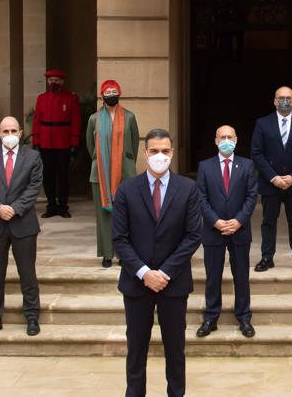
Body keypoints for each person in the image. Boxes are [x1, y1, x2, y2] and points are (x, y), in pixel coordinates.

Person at [112, 128, 202, 397]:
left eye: (164, 151)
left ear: (172, 153)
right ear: (145, 153)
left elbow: (193, 236)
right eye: (154, 151)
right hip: (136, 284)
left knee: (175, 350)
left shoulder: (188, 188)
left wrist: (163, 272)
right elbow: (119, 238)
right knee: (136, 350)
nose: (159, 156)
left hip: (173, 285)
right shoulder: (127, 189)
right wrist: (143, 272)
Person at [0, 117, 44, 338]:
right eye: (6, 131)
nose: (10, 134)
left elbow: (34, 187)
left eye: (14, 130)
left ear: (21, 132)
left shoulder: (33, 157)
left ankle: (32, 317)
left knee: (27, 273)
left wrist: (14, 208)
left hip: (23, 224)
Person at [195, 125, 258, 338]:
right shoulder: (205, 166)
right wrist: (215, 221)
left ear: (237, 139)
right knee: (213, 276)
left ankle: (244, 317)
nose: (226, 140)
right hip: (214, 232)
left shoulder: (247, 165)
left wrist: (239, 221)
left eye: (230, 136)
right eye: (222, 137)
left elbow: (251, 196)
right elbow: (201, 198)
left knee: (241, 276)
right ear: (215, 141)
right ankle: (211, 317)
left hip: (240, 231)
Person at [251, 85, 292, 272]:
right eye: (281, 98)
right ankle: (266, 258)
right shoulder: (263, 124)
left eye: (289, 98)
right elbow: (257, 153)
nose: (285, 101)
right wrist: (273, 177)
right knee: (268, 222)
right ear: (274, 101)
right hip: (270, 184)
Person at [87, 79, 140, 268]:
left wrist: (124, 163)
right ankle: (107, 253)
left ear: (119, 93)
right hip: (100, 173)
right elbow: (89, 146)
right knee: (104, 215)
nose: (111, 95)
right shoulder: (94, 119)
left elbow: (134, 144)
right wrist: (102, 161)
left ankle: (124, 253)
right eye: (107, 93)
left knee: (126, 213)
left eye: (114, 92)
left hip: (125, 172)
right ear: (102, 96)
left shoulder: (130, 117)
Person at [32, 68, 81, 218]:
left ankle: (63, 206)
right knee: (48, 176)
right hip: (46, 141)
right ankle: (51, 205)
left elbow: (76, 121)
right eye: (51, 80)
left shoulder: (71, 98)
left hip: (63, 142)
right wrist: (36, 140)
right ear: (47, 82)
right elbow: (36, 120)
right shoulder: (42, 98)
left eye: (56, 80)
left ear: (62, 81)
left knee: (63, 176)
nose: (53, 82)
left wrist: (74, 142)